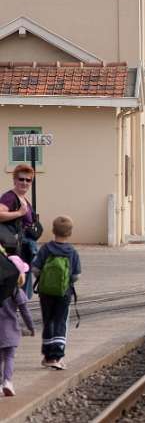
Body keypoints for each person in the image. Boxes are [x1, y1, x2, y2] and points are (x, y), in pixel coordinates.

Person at [31, 216, 81, 369]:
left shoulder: (46, 248)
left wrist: (45, 279)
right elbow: (76, 275)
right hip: (63, 292)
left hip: (45, 292)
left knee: (48, 320)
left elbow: (35, 269)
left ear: (53, 230)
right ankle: (57, 357)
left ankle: (47, 356)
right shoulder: (72, 251)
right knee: (61, 321)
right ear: (70, 233)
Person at [0, 164, 38, 298]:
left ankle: (20, 310)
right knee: (16, 281)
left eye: (28, 180)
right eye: (21, 179)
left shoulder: (24, 199)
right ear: (14, 180)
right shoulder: (9, 197)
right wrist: (19, 212)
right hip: (13, 247)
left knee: (23, 281)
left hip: (25, 247)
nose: (25, 182)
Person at [0, 255, 35, 396]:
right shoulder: (15, 291)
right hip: (10, 331)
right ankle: (7, 381)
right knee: (9, 357)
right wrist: (31, 327)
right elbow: (25, 312)